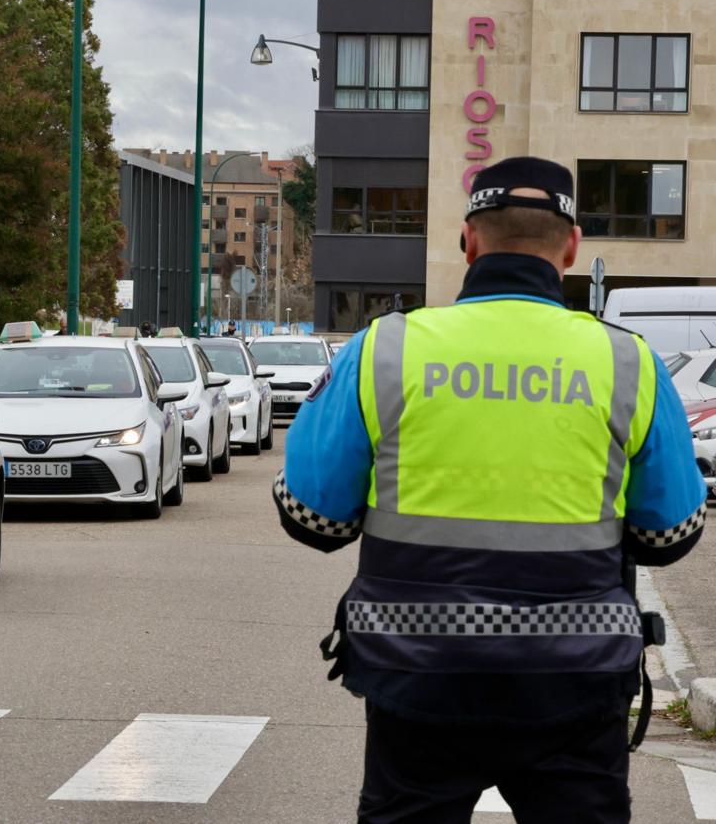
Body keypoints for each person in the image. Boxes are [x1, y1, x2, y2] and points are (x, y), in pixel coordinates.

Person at [273, 156, 705, 824]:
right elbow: (669, 536)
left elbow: (312, 519)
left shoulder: (386, 348)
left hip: (419, 679)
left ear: (468, 240)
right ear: (571, 247)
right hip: (576, 685)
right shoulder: (629, 361)